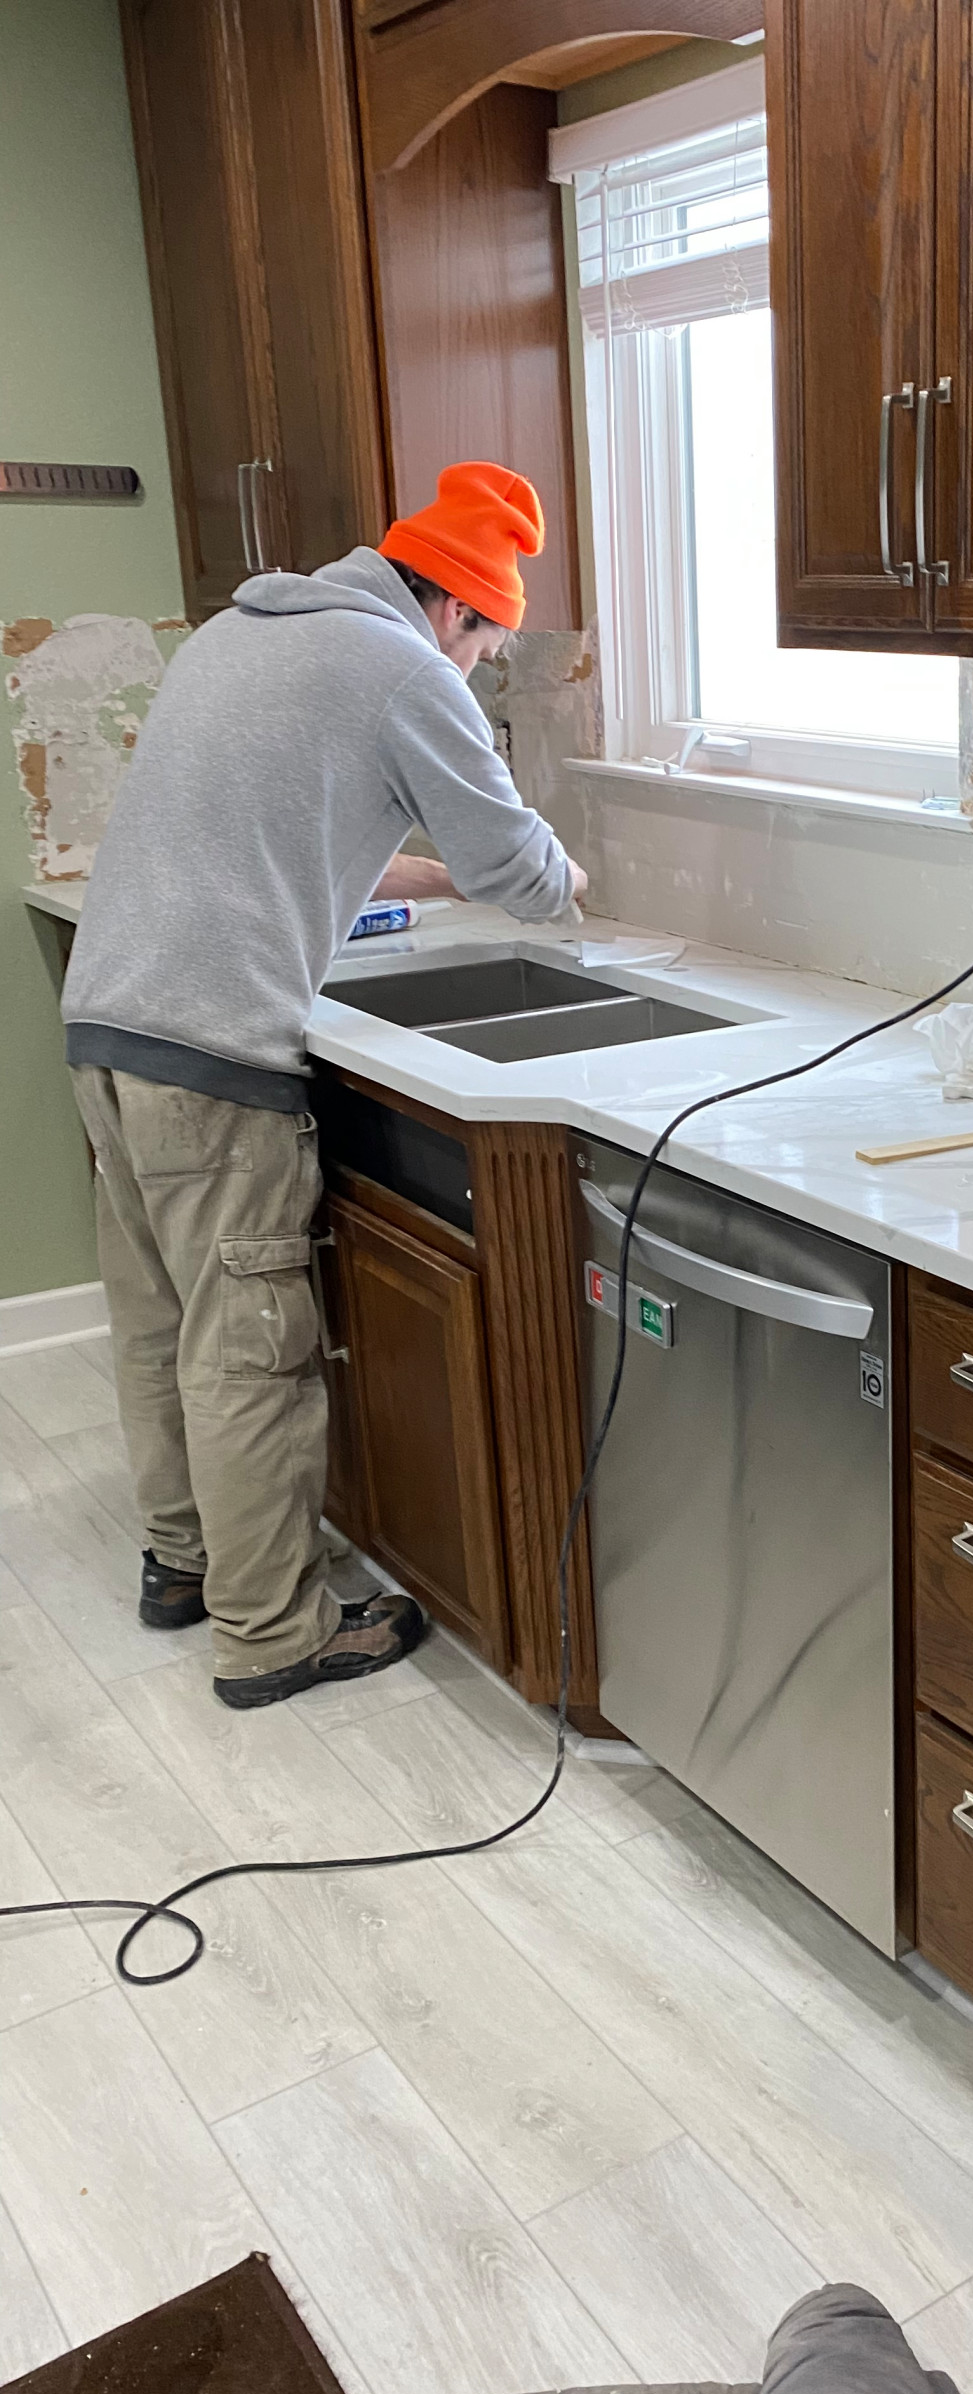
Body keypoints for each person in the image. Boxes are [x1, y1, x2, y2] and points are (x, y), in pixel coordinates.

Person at [60, 462, 589, 1710]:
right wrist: (564, 885)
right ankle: (273, 1629)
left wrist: (445, 879)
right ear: (456, 610)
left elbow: (300, 839)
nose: (472, 672)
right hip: (213, 1051)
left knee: (161, 1321)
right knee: (250, 1348)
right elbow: (524, 866)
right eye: (485, 648)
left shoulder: (244, 632)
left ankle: (185, 1566)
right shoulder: (404, 669)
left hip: (108, 1024)